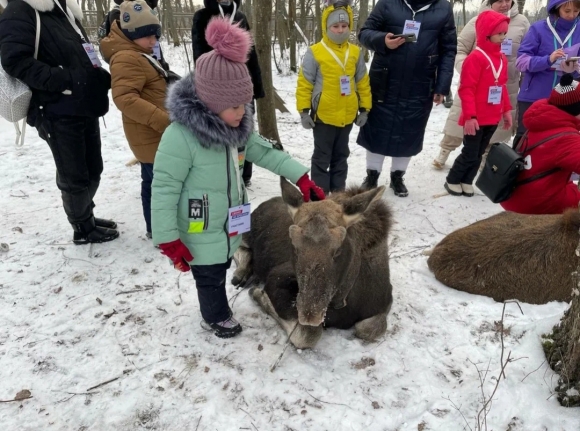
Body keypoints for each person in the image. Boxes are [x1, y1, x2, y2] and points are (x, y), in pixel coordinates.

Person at [152, 17, 325, 338]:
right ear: (210, 102)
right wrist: (168, 238)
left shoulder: (235, 126)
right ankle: (215, 315)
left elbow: (268, 153)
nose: (242, 112)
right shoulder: (181, 137)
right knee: (210, 274)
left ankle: (229, 279)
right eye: (233, 106)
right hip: (199, 224)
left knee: (225, 259)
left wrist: (301, 178)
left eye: (245, 104)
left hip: (231, 218)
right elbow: (162, 188)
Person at [0, 0, 118, 244]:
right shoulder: (21, 8)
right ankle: (82, 228)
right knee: (74, 175)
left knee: (93, 168)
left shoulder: (63, 9)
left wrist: (96, 76)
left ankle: (86, 215)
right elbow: (14, 60)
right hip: (56, 108)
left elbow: (81, 53)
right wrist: (66, 80)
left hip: (83, 103)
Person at [356, 0, 457, 197]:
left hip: (420, 83)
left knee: (409, 131)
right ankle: (372, 175)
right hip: (384, 80)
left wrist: (442, 86)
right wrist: (382, 40)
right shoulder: (387, 3)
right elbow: (364, 33)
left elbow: (448, 50)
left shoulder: (443, 8)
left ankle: (397, 176)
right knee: (377, 129)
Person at [100, 0, 170, 239]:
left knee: (155, 183)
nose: (154, 41)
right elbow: (125, 99)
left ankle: (159, 228)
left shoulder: (138, 53)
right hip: (150, 134)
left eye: (156, 35)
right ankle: (158, 230)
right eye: (148, 36)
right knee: (155, 186)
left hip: (153, 134)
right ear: (132, 34)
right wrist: (164, 121)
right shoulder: (126, 58)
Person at [433, 0, 530, 170]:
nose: (505, 4)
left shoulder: (522, 23)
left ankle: (485, 155)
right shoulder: (477, 20)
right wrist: (467, 68)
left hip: (505, 85)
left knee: (495, 124)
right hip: (475, 84)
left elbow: (525, 53)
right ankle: (446, 149)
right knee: (462, 118)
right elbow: (460, 48)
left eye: (508, 0)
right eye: (499, 1)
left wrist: (523, 81)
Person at [296, 0, 371, 194]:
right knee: (322, 158)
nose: (340, 30)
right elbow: (305, 83)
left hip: (347, 116)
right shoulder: (315, 52)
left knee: (341, 156)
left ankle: (338, 195)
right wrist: (304, 112)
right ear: (326, 27)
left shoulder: (355, 52)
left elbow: (363, 82)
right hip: (323, 117)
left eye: (344, 26)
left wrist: (365, 108)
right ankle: (320, 197)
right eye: (335, 26)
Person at [192, 0, 265, 188]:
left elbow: (251, 53)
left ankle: (244, 173)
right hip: (218, 89)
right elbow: (199, 56)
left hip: (242, 85)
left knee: (245, 128)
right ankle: (220, 172)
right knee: (220, 130)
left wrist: (256, 86)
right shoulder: (202, 17)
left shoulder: (240, 17)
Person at [444, 10, 512, 197]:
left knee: (480, 152)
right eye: (500, 33)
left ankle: (466, 180)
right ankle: (452, 179)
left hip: (492, 117)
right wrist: (470, 116)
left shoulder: (501, 59)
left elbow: (502, 86)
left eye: (505, 33)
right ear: (486, 34)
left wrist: (505, 111)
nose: (503, 37)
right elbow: (466, 89)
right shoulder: (475, 58)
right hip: (475, 117)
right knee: (470, 152)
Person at [501, 74, 580, 214]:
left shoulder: (545, 119)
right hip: (534, 203)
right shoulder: (566, 138)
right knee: (575, 194)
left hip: (514, 192)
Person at [515, 0, 580, 146]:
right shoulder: (538, 29)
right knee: (525, 142)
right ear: (556, 9)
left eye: (576, 11)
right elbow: (521, 62)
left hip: (566, 100)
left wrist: (574, 70)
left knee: (559, 144)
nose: (572, 15)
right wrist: (547, 60)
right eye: (567, 11)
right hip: (534, 97)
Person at [98, 0, 169, 70]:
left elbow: (153, 43)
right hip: (134, 65)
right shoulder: (122, 12)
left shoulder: (146, 9)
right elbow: (123, 45)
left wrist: (162, 67)